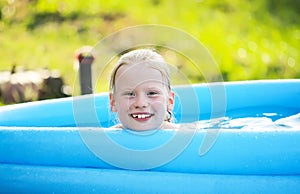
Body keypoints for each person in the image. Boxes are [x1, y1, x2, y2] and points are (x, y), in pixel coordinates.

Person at [109, 48, 178, 131]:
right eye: (130, 94)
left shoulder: (185, 136)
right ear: (113, 102)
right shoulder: (103, 140)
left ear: (170, 101)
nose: (141, 103)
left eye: (152, 93)